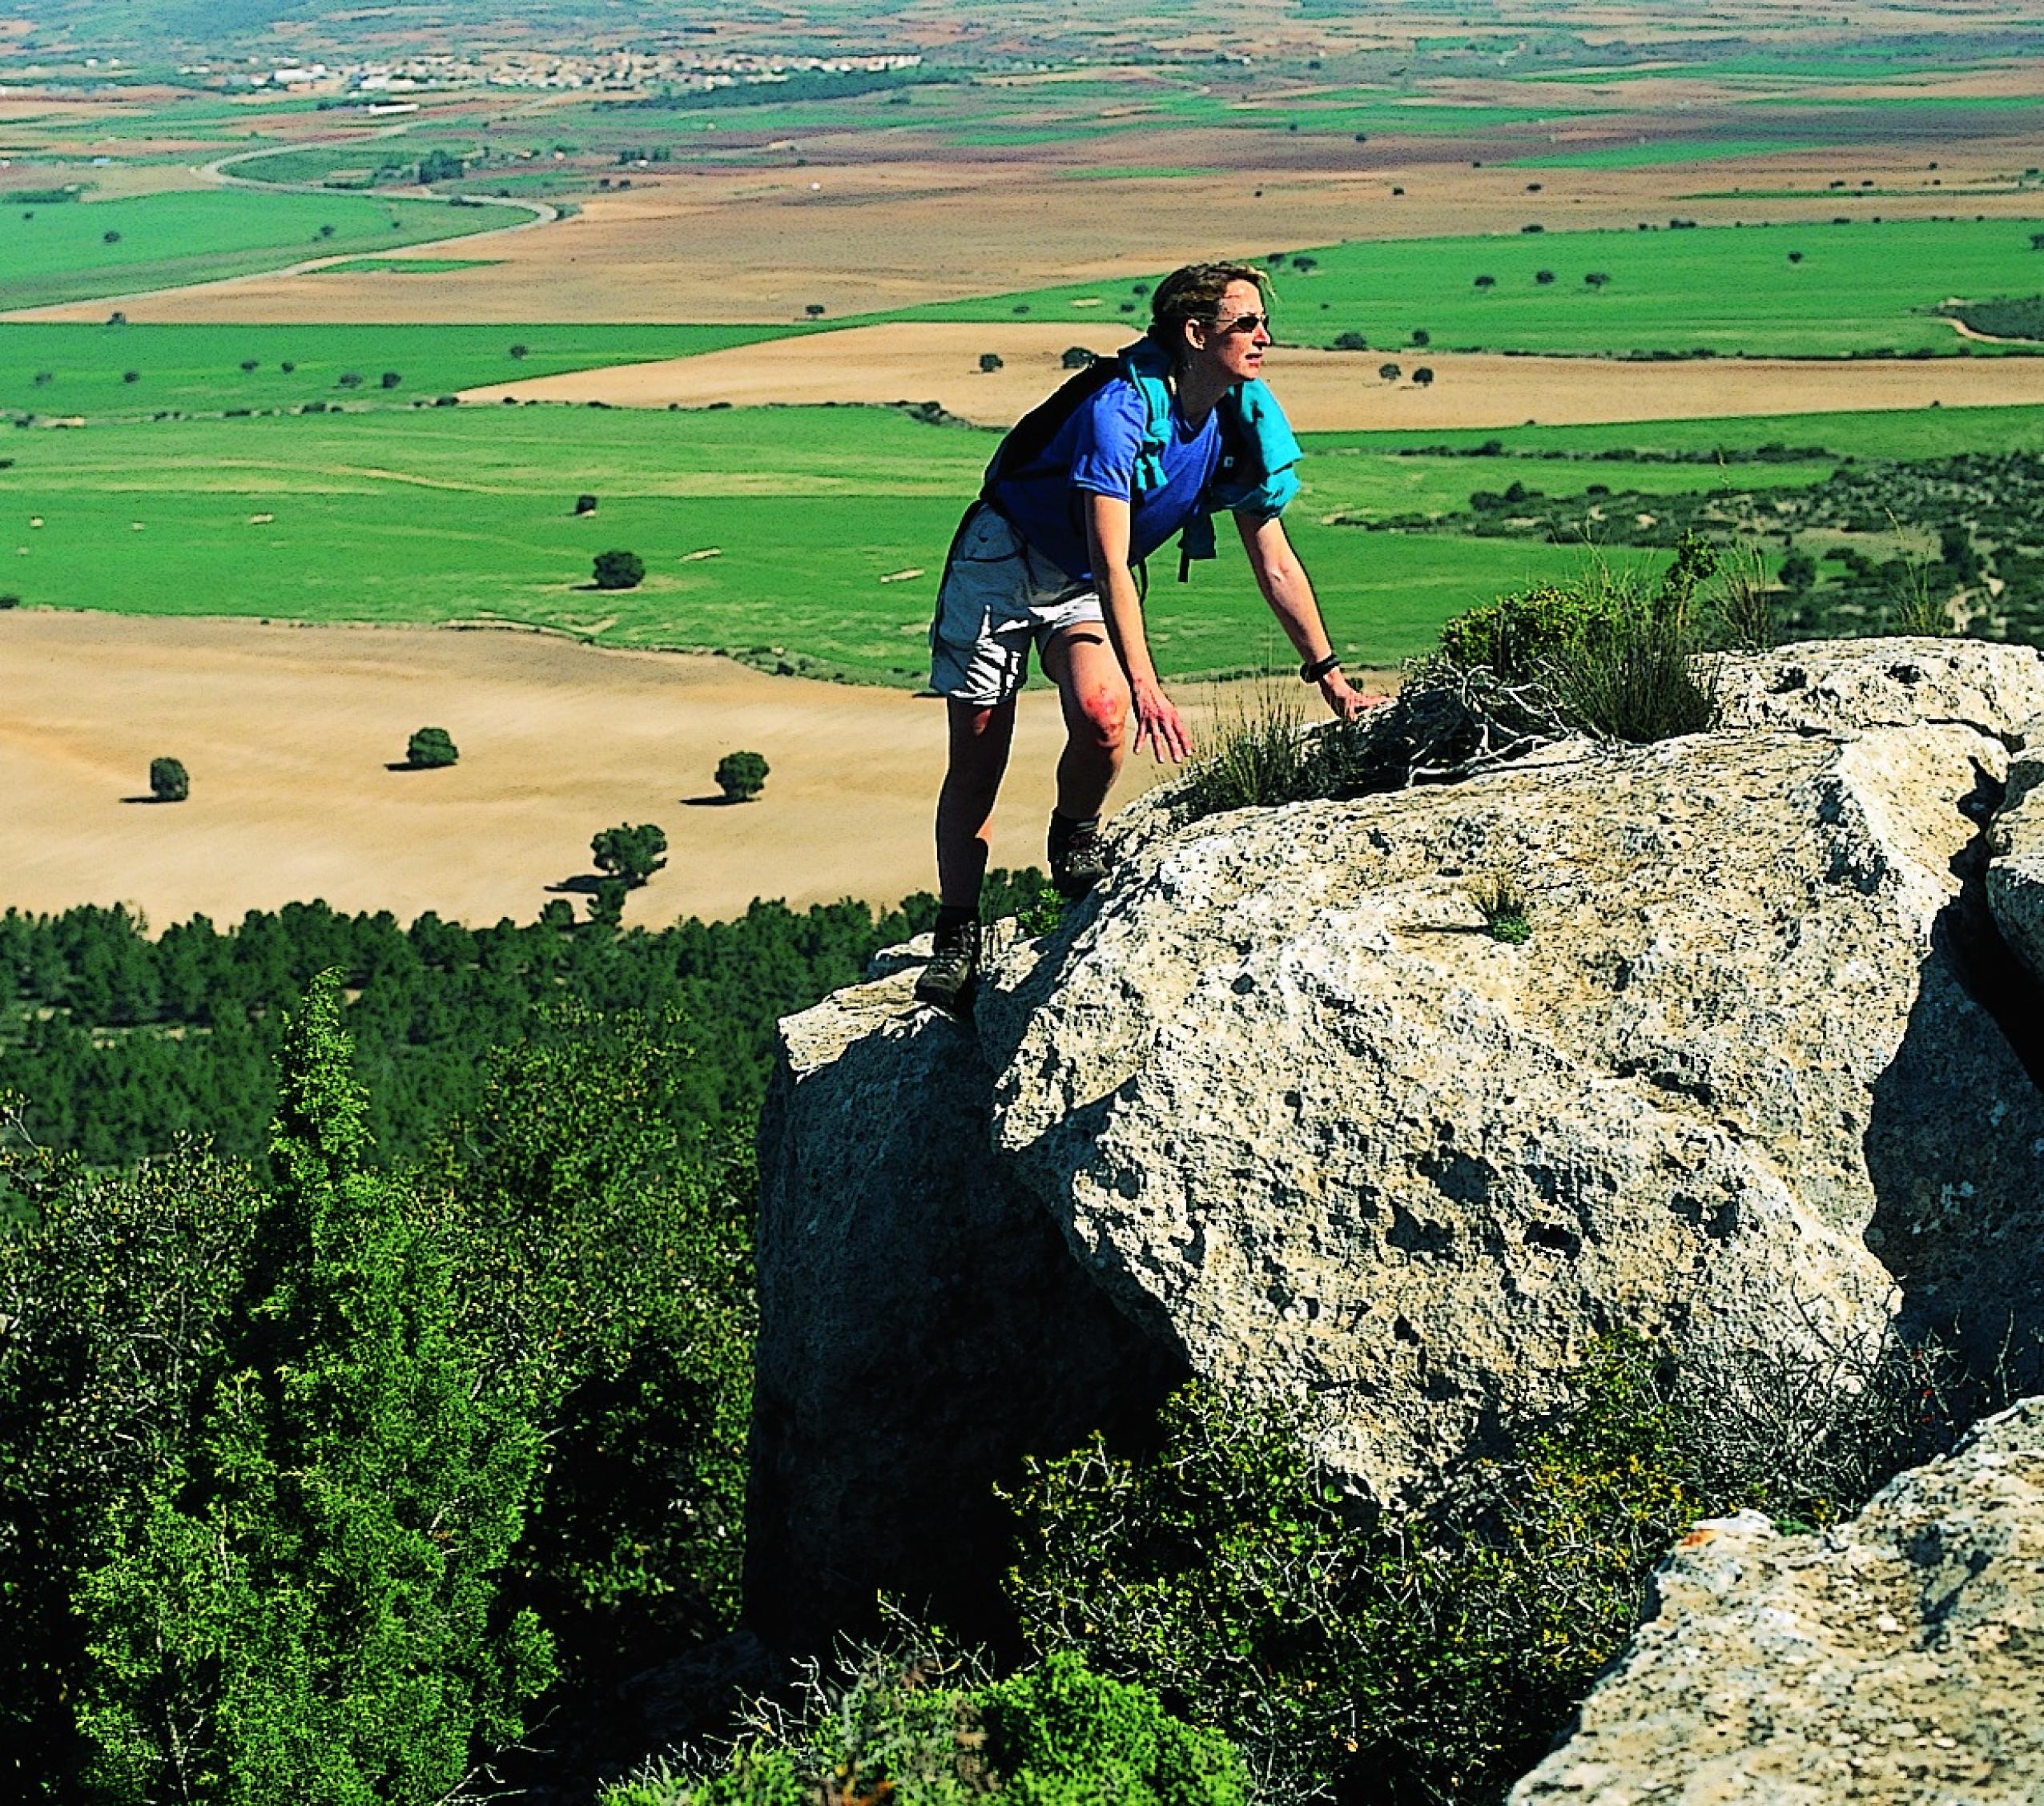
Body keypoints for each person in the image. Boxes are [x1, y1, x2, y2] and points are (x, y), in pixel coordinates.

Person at [915, 261, 1379, 1012]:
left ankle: (1073, 840)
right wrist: (1149, 681)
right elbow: (1109, 558)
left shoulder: (1242, 416)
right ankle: (957, 932)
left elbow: (1276, 560)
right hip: (1003, 560)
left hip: (1079, 585)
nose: (1265, 338)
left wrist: (1328, 675)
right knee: (977, 758)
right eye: (1246, 326)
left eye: (1265, 324)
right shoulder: (1119, 410)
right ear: (1196, 335)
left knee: (1102, 721)